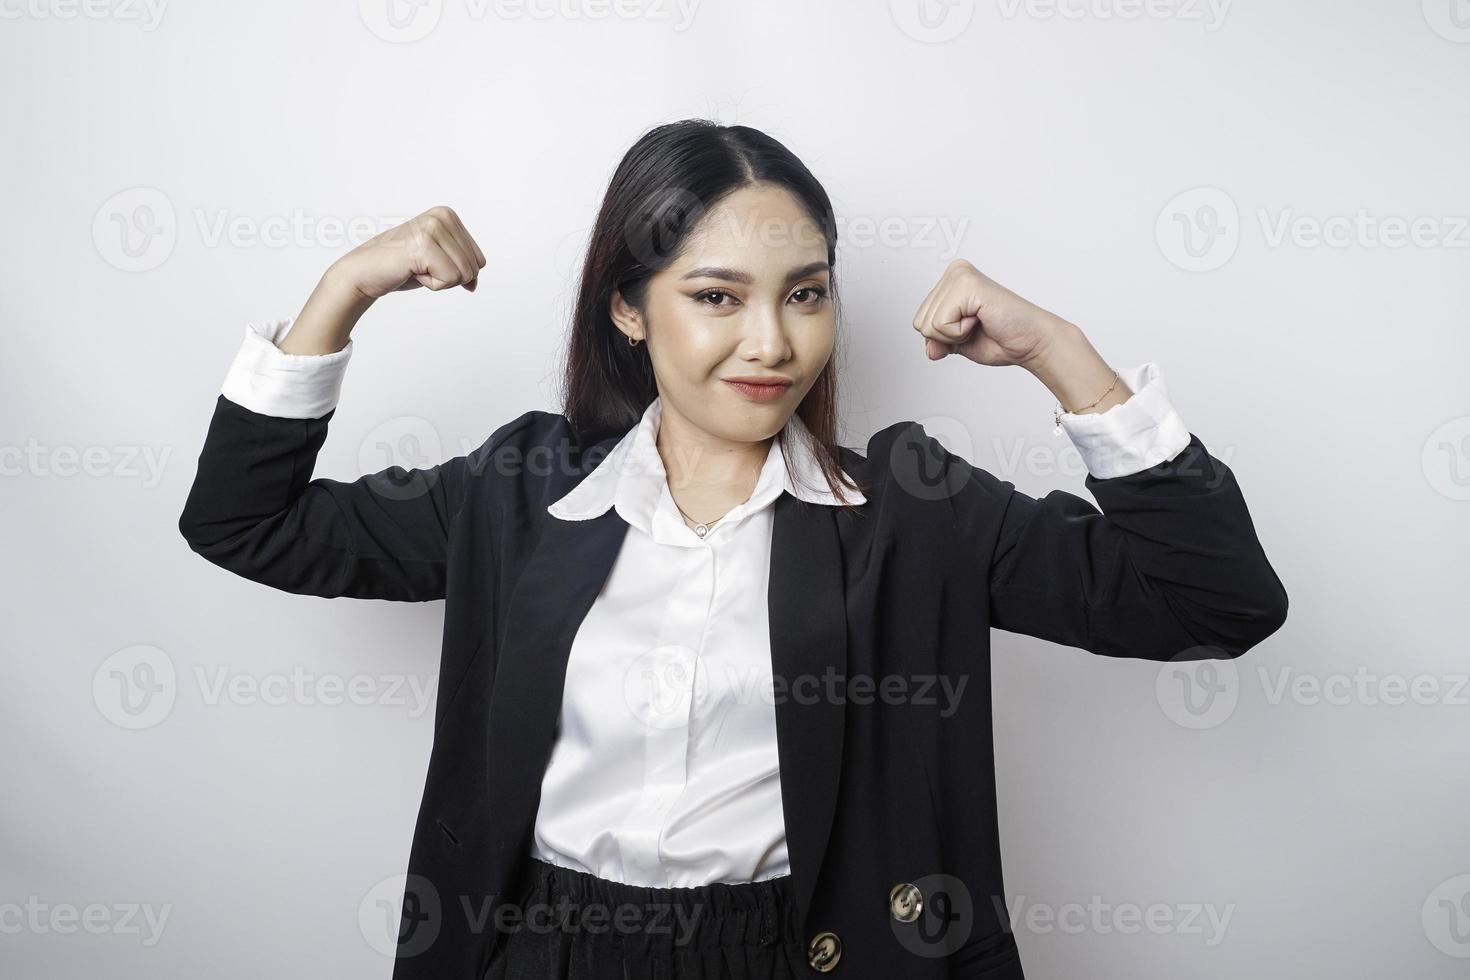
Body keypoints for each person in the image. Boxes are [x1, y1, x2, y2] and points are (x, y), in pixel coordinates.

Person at [178, 119, 1288, 980]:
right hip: (536, 947)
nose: (772, 342)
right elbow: (246, 520)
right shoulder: (519, 491)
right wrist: (343, 293)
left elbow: (1213, 601)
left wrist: (1062, 354)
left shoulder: (911, 503)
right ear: (629, 308)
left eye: (804, 295)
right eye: (717, 297)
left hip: (807, 946)